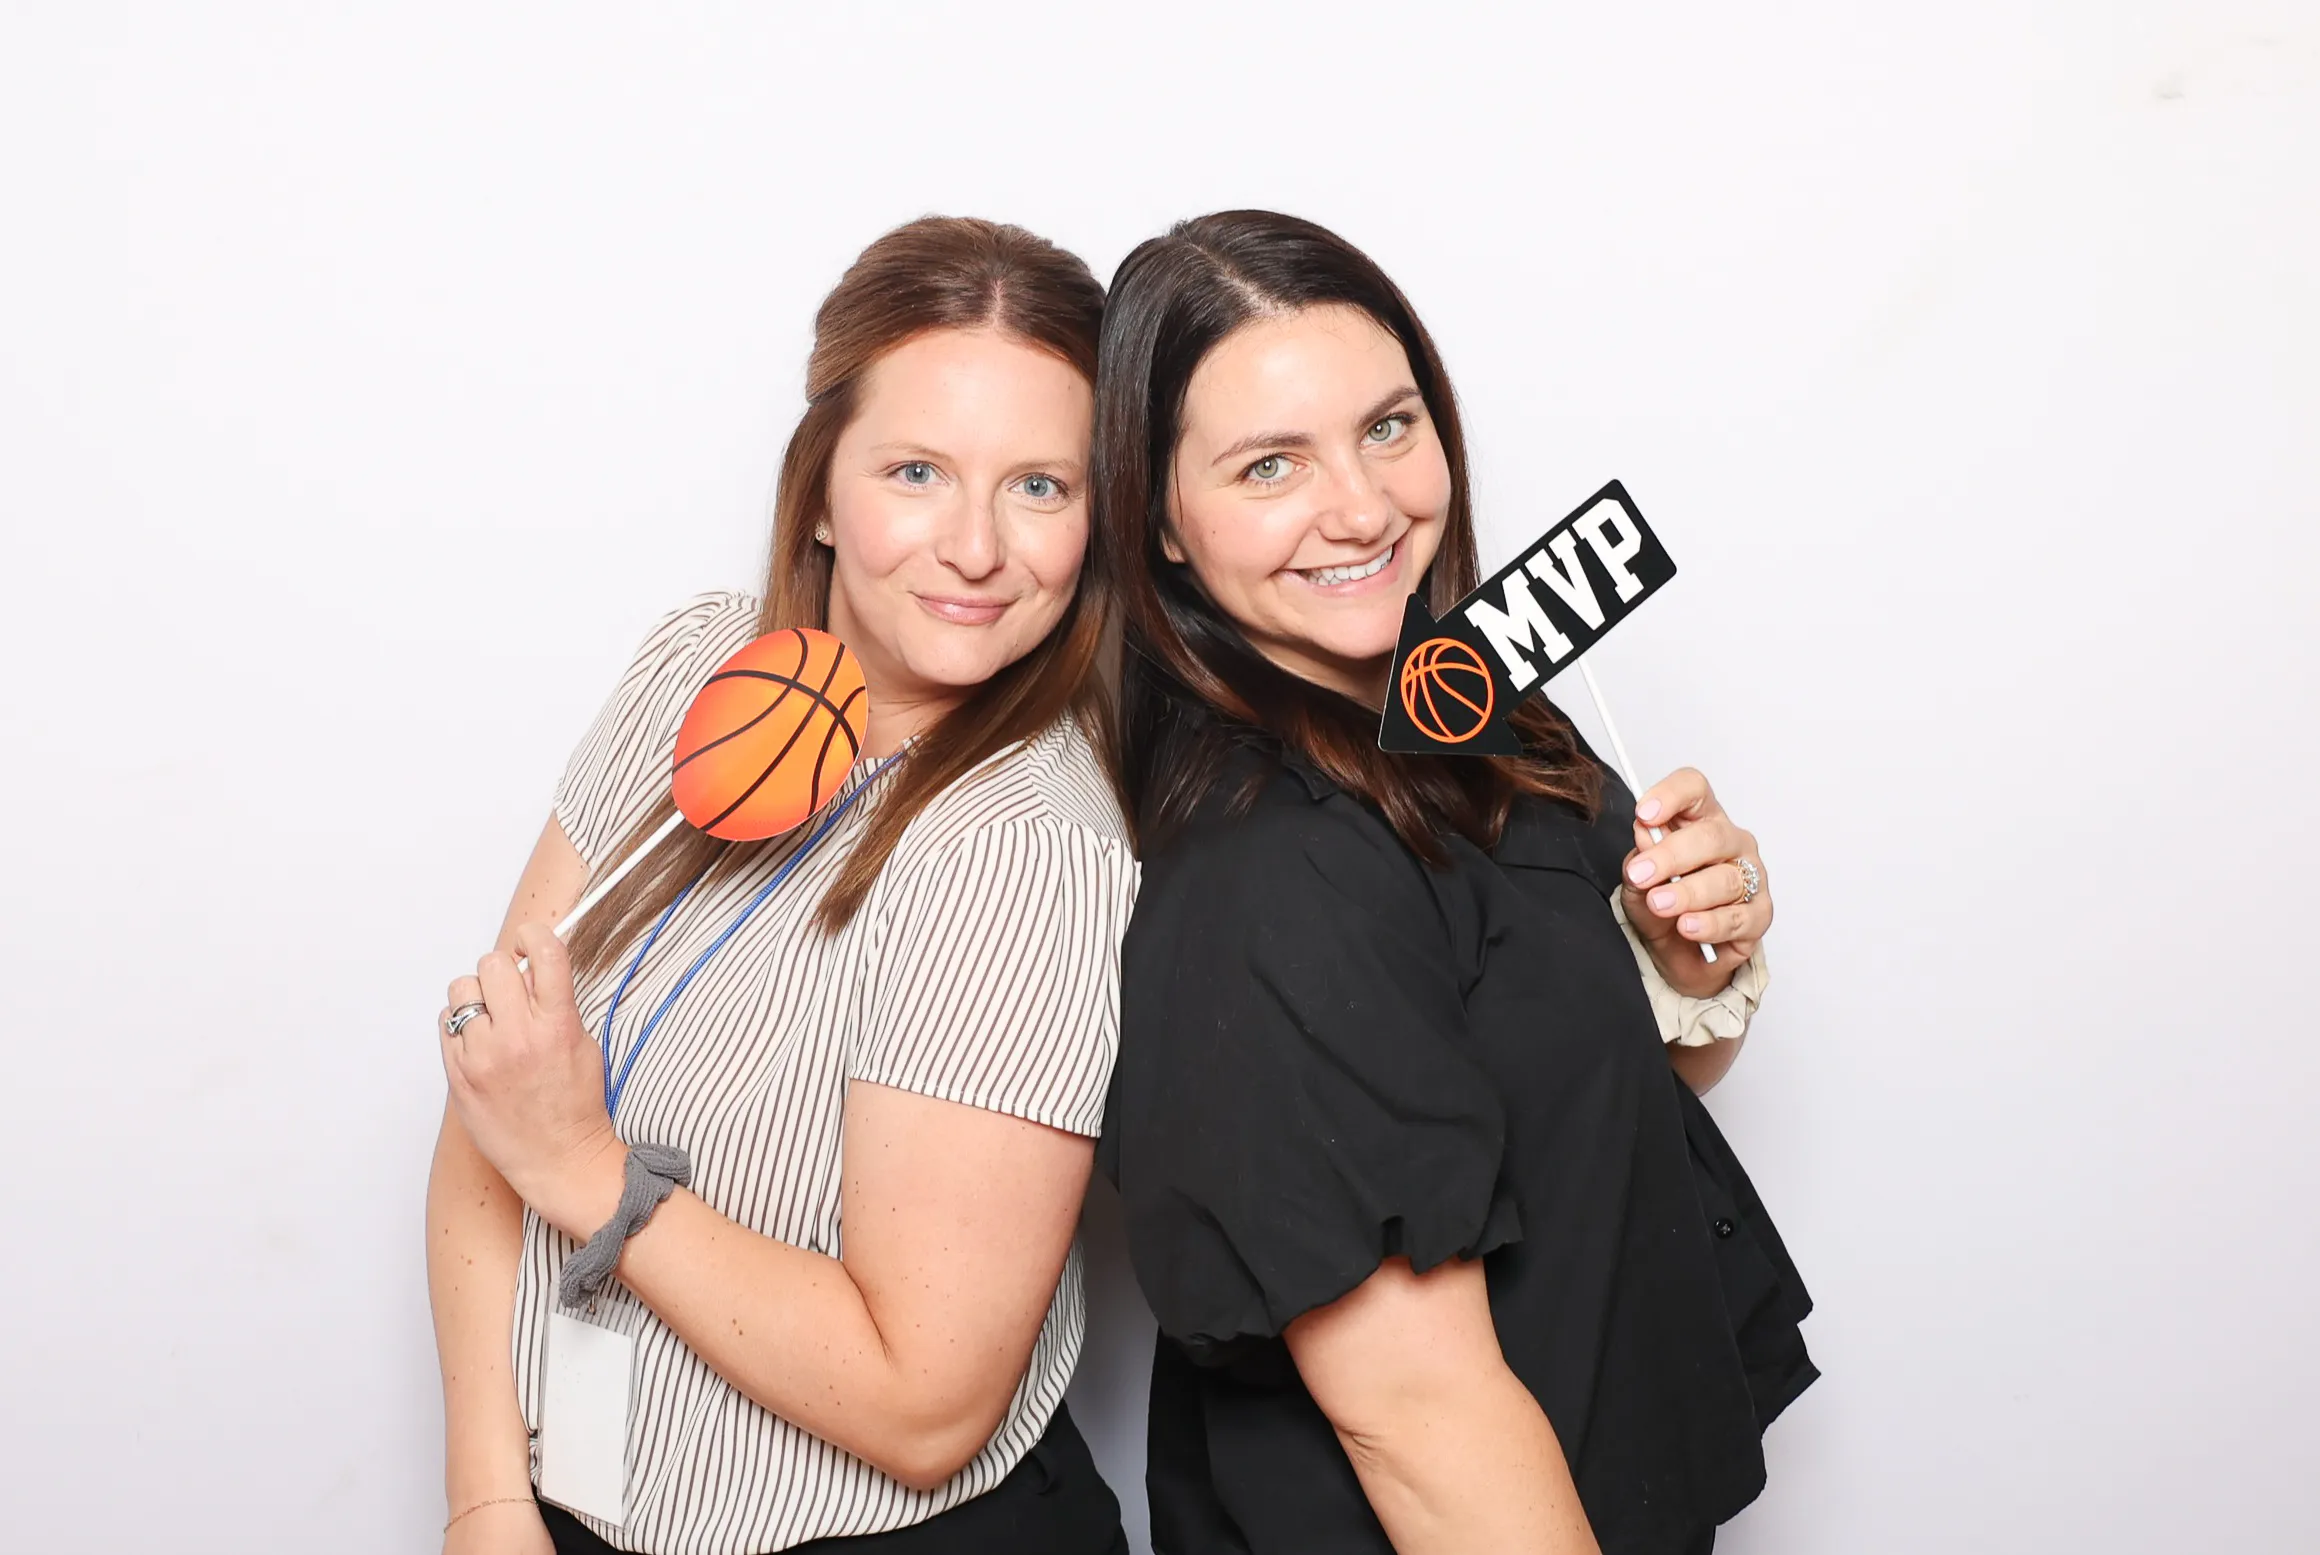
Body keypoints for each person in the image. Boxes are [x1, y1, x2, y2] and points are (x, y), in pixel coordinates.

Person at [1092, 210, 1817, 1555]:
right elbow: (1419, 1421)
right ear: (1165, 527)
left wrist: (1686, 955)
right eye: (1270, 466)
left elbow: (1573, 1104)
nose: (1364, 508)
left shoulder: (1472, 705)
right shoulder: (1274, 872)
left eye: (1388, 425)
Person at [425, 217, 1134, 1555]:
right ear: (820, 487)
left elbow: (927, 1404)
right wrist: (483, 1491)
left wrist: (589, 1170)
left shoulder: (1021, 849)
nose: (977, 547)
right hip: (562, 1513)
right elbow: (491, 1090)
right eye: (918, 470)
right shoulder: (699, 664)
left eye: (1039, 486)